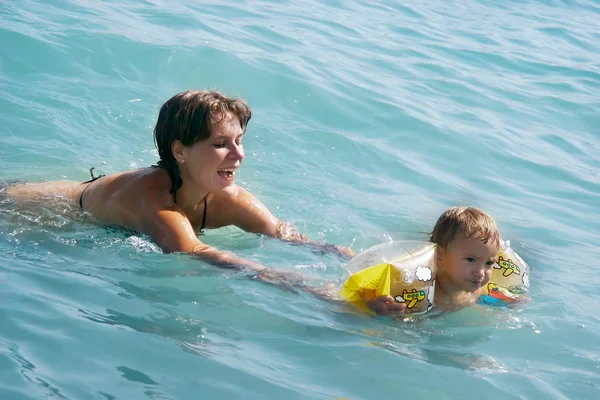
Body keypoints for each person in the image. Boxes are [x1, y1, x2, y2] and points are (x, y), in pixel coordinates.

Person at [5, 90, 355, 271]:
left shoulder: (227, 197)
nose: (238, 154)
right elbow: (198, 252)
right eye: (220, 144)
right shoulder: (152, 198)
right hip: (20, 207)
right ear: (180, 151)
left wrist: (353, 258)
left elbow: (283, 233)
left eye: (239, 141)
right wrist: (316, 294)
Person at [362, 206, 500, 316]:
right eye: (471, 259)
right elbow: (367, 287)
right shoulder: (419, 289)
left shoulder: (476, 292)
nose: (481, 272)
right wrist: (372, 303)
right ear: (439, 256)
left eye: (489, 263)